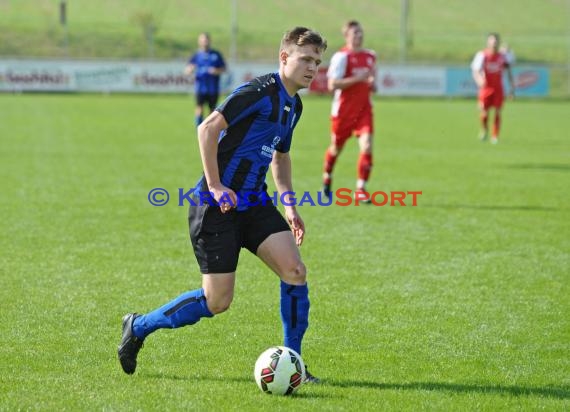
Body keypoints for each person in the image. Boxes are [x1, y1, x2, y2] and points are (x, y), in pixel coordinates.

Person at [118, 27, 327, 383]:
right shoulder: (258, 91)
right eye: (305, 58)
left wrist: (290, 206)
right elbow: (208, 129)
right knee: (217, 302)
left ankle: (295, 363)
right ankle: (139, 326)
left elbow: (281, 157)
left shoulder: (295, 105)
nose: (312, 67)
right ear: (284, 58)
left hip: (254, 202)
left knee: (295, 271)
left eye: (318, 62)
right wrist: (215, 185)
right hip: (216, 206)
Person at [321, 20, 377, 202]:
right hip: (343, 112)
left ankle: (361, 188)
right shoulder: (341, 57)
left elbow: (373, 80)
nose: (359, 36)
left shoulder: (370, 56)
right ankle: (327, 175)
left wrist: (372, 84)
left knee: (367, 145)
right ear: (347, 36)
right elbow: (332, 84)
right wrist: (356, 78)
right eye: (355, 34)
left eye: (361, 33)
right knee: (336, 148)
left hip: (364, 110)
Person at [471, 33, 515, 144]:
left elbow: (509, 70)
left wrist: (512, 88)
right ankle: (484, 129)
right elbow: (475, 71)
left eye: (496, 41)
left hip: (498, 89)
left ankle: (495, 136)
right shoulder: (482, 55)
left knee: (497, 112)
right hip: (485, 89)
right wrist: (479, 80)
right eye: (492, 41)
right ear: (488, 42)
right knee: (484, 112)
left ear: (498, 43)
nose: (494, 43)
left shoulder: (502, 56)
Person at [184, 32, 227, 127]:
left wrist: (216, 70)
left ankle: (210, 129)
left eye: (206, 40)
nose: (205, 42)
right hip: (200, 88)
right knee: (199, 108)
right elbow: (187, 70)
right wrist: (190, 69)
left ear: (209, 41)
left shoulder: (216, 54)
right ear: (199, 42)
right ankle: (199, 129)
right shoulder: (196, 55)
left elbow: (224, 68)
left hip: (213, 88)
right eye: (203, 40)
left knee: (212, 110)